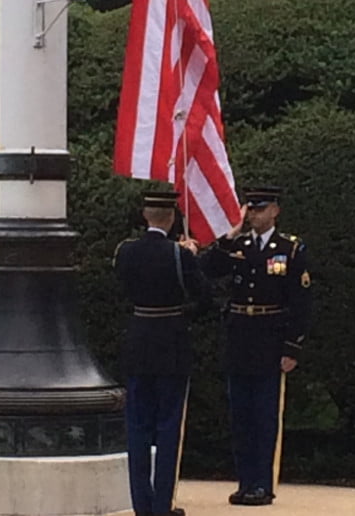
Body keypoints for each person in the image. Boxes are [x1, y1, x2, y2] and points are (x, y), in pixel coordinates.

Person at [201, 186, 312, 506]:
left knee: (264, 416)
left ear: (275, 211)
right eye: (250, 209)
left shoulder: (289, 248)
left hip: (269, 338)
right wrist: (229, 234)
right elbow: (208, 268)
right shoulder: (239, 244)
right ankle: (244, 480)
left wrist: (292, 348)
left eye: (260, 209)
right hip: (240, 338)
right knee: (240, 416)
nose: (253, 215)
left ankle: (262, 483)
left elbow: (301, 302)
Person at [114, 190, 211, 516]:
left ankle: (142, 504)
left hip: (139, 341)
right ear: (171, 218)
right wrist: (190, 260)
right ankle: (162, 505)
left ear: (145, 215)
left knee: (138, 427)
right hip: (171, 343)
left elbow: (122, 291)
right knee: (169, 427)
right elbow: (206, 301)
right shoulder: (178, 255)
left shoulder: (125, 252)